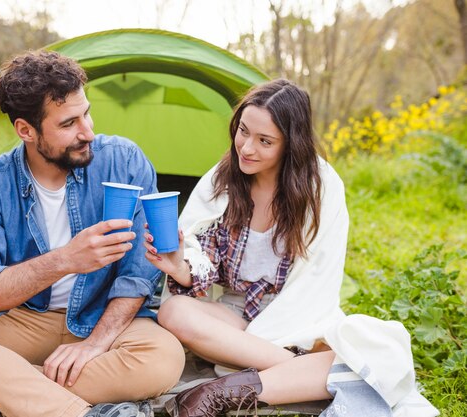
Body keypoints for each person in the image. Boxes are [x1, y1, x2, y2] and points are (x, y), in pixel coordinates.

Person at [0, 50, 185, 417]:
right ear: (26, 130)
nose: (87, 131)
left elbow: (138, 274)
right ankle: (75, 411)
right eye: (68, 123)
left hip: (102, 317)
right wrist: (64, 260)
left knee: (163, 359)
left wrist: (94, 344)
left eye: (87, 113)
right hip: (22, 321)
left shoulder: (123, 160)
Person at [144, 79, 439, 417]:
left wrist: (267, 336)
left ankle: (238, 385)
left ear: (291, 145)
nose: (247, 148)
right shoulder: (222, 179)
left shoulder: (321, 187)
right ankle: (306, 371)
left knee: (378, 346)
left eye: (264, 141)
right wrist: (180, 266)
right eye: (243, 131)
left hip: (300, 315)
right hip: (235, 320)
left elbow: (316, 282)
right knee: (173, 312)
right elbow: (203, 258)